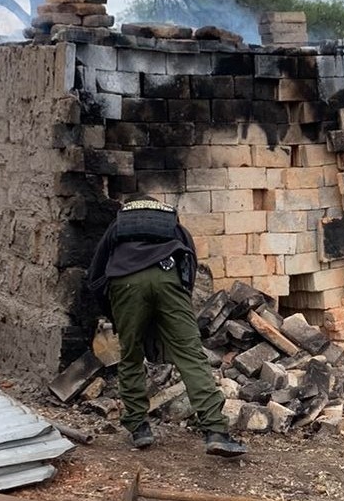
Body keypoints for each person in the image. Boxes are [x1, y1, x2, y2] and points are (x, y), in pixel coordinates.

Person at [87, 194, 247, 458]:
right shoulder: (170, 222)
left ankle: (139, 428)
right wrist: (181, 295)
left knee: (130, 356)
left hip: (125, 283)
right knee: (190, 355)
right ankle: (216, 432)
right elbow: (190, 262)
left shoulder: (119, 225)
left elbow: (95, 273)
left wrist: (112, 312)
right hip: (168, 278)